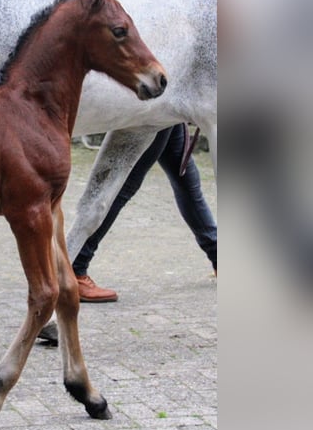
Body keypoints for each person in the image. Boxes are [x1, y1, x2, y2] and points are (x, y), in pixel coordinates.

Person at [75, 123, 217, 302]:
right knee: (123, 185)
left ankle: (217, 255)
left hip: (170, 113)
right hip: (155, 110)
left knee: (187, 182)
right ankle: (75, 267)